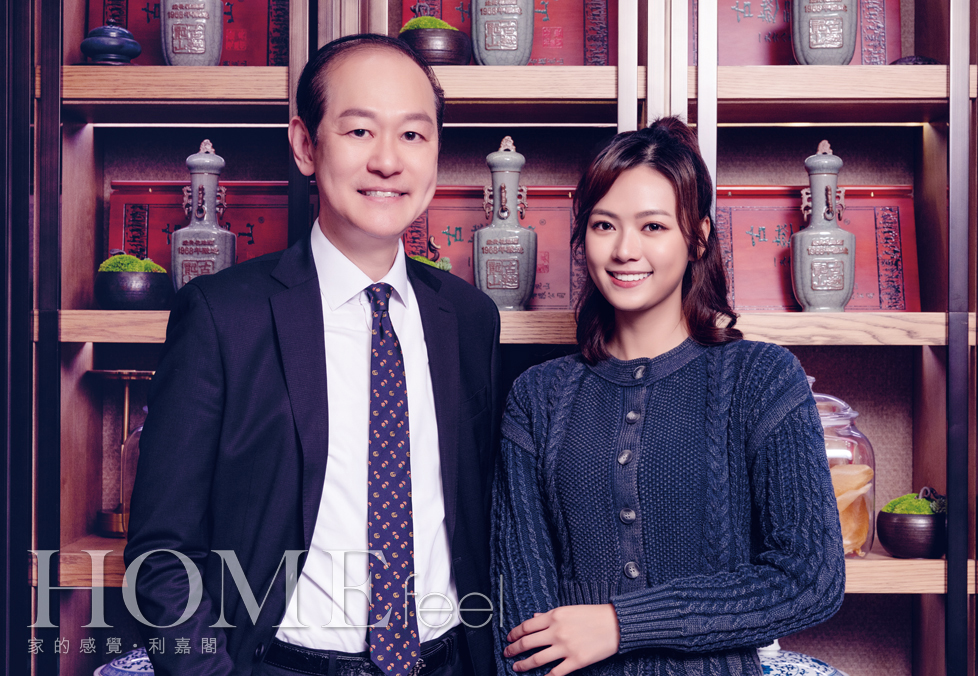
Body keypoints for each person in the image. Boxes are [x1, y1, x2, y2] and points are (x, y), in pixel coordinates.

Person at [125, 34, 501, 676]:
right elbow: (161, 556)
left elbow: (477, 524)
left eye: (413, 135)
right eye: (359, 131)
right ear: (305, 145)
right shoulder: (222, 316)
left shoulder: (468, 319)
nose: (388, 161)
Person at [490, 117, 845, 676]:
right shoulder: (537, 398)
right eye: (604, 225)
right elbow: (520, 614)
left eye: (652, 226)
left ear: (697, 237)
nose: (624, 249)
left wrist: (622, 623)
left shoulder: (761, 379)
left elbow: (811, 579)